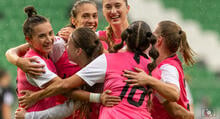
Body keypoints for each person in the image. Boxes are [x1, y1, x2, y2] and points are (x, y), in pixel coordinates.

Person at [18, 21, 179, 119]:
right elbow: (173, 96)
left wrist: (35, 98)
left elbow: (65, 86)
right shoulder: (152, 69)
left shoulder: (108, 60)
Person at [123, 20, 195, 119]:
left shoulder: (168, 68)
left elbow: (174, 94)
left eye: (153, 35)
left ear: (159, 40)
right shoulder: (168, 63)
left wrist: (148, 79)